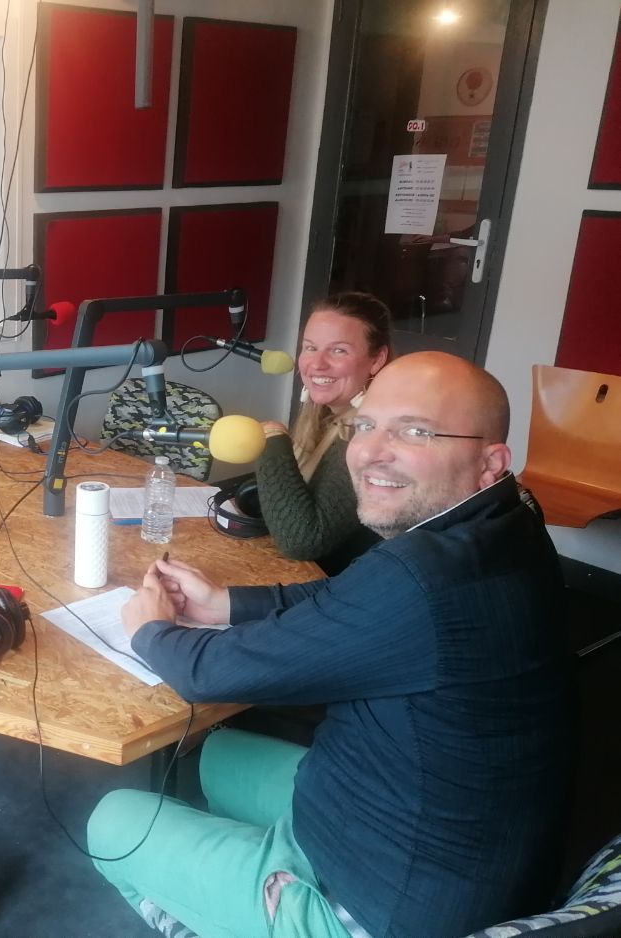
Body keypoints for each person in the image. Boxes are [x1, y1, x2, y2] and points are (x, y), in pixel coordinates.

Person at [90, 352, 572, 938]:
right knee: (219, 758)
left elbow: (207, 675)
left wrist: (150, 629)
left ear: (489, 462)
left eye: (415, 431)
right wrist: (224, 604)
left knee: (111, 822)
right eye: (365, 425)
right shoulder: (505, 523)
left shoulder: (422, 578)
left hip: (386, 906)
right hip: (446, 839)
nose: (369, 452)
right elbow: (348, 600)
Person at [254, 291, 392, 574]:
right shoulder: (329, 415)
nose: (317, 364)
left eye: (338, 350)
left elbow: (302, 540)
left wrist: (272, 440)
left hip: (344, 589)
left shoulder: (370, 437)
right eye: (310, 347)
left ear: (377, 359)